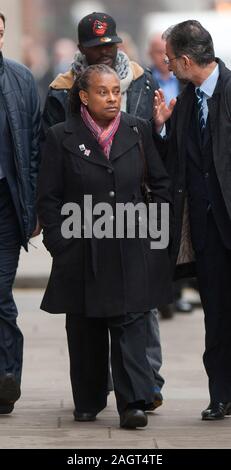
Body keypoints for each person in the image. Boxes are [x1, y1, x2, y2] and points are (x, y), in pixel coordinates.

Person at [37, 64, 172, 428]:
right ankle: (89, 399)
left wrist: (153, 239)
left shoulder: (137, 129)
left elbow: (159, 185)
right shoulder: (60, 135)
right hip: (81, 248)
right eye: (103, 92)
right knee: (85, 328)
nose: (113, 98)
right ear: (84, 96)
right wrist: (59, 242)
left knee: (131, 326)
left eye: (116, 91)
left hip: (131, 247)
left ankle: (134, 403)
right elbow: (48, 197)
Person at [153, 20, 231, 420]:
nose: (167, 67)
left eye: (170, 60)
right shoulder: (184, 103)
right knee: (215, 315)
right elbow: (176, 166)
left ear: (186, 60)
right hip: (205, 232)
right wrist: (163, 131)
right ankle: (222, 394)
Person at [0, 12, 41, 414]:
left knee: (0, 293)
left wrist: (34, 206)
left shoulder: (20, 80)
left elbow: (33, 149)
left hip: (7, 207)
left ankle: (7, 377)